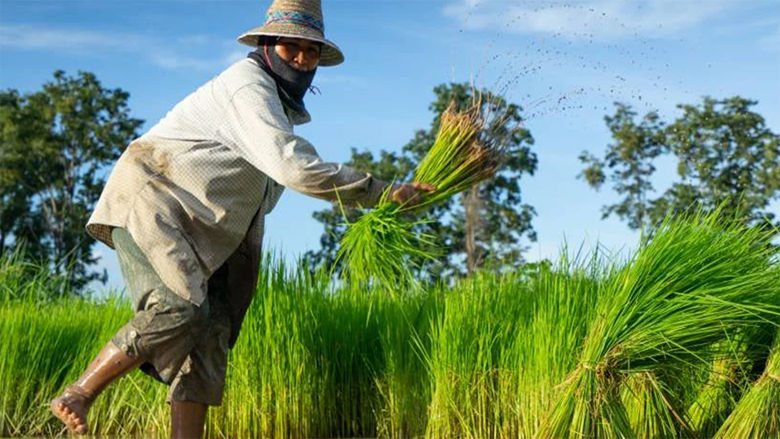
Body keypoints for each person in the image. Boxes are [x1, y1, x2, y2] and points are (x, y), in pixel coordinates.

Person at [49, 0, 432, 437]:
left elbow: (256, 200)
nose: (303, 60)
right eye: (292, 49)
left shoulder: (278, 109)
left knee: (210, 338)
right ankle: (79, 392)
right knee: (181, 308)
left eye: (311, 53)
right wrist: (380, 192)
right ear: (267, 46)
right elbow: (293, 167)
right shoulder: (248, 88)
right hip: (154, 202)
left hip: (203, 233)